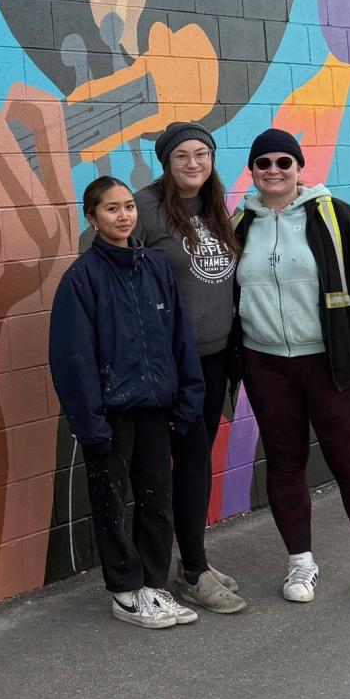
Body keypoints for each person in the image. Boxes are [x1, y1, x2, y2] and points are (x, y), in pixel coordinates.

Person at [231, 128, 350, 607]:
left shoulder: (335, 215)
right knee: (285, 466)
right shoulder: (240, 223)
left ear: (299, 168)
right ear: (253, 171)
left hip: (332, 365)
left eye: (284, 162)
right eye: (263, 163)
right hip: (267, 365)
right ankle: (300, 563)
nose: (274, 171)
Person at [48, 176, 207, 629]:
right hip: (110, 417)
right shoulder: (81, 279)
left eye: (128, 207)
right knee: (112, 503)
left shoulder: (155, 266)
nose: (123, 216)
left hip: (156, 409)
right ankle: (125, 591)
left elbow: (180, 337)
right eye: (111, 209)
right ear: (92, 218)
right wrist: (89, 422)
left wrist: (186, 398)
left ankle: (154, 585)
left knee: (158, 499)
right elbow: (71, 357)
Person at [136, 122, 248, 614]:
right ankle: (190, 572)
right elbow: (116, 276)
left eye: (202, 154)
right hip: (171, 363)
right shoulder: (144, 208)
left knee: (197, 461)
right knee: (180, 462)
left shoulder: (216, 205)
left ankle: (192, 562)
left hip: (215, 356)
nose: (193, 164)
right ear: (166, 161)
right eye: (182, 155)